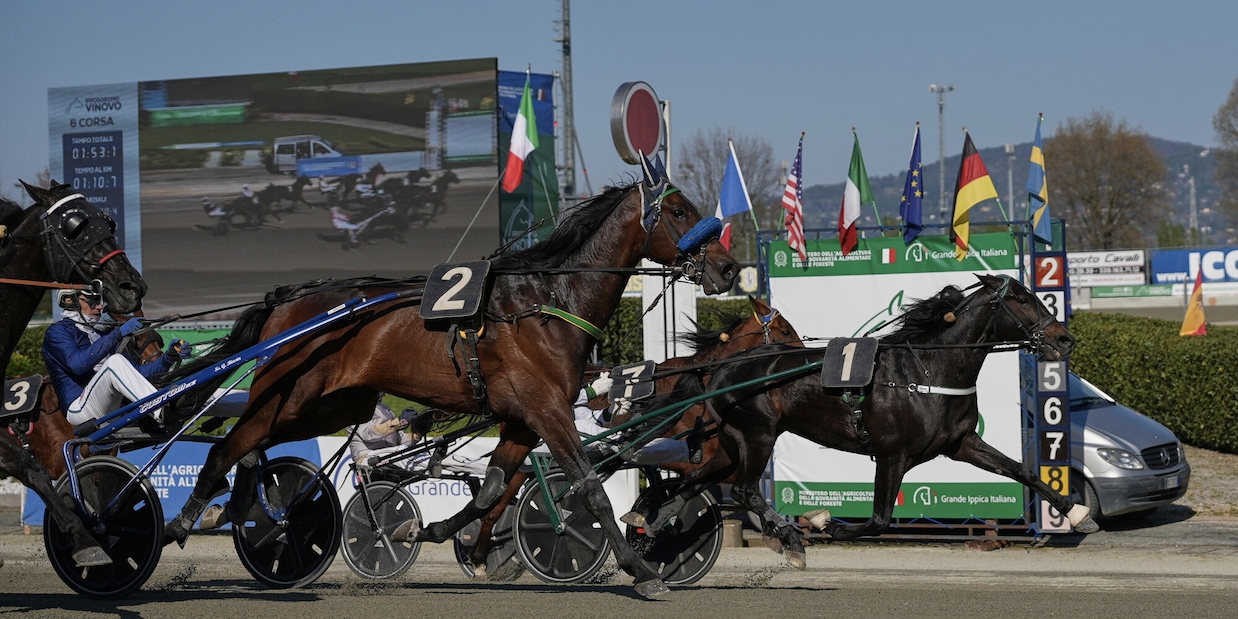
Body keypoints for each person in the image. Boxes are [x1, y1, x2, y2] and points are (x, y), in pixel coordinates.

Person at [42, 289, 190, 427]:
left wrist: (169, 357)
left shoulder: (101, 336)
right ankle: (159, 409)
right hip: (78, 408)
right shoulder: (57, 332)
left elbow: (138, 374)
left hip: (109, 406)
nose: (100, 307)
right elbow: (77, 365)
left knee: (117, 361)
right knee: (115, 361)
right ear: (69, 301)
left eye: (99, 302)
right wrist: (117, 334)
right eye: (92, 301)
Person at [573, 372, 703, 465]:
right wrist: (592, 392)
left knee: (628, 444)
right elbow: (554, 403)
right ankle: (625, 444)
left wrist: (609, 412)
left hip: (570, 435)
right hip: (557, 438)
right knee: (622, 444)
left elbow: (583, 416)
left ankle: (686, 449)